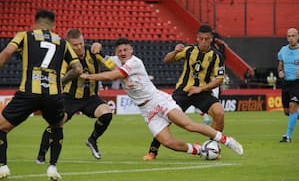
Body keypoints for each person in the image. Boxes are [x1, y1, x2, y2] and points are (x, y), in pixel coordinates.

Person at [80, 37, 243, 160]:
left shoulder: (135, 62)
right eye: (119, 51)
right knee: (167, 142)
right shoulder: (116, 61)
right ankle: (201, 151)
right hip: (146, 110)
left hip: (158, 100)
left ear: (131, 50)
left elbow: (112, 75)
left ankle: (227, 140)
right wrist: (98, 47)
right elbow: (105, 60)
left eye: (125, 50)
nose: (122, 53)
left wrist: (88, 76)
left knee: (188, 125)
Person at [0, 10, 83, 180]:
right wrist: (61, 82)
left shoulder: (24, 35)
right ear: (53, 25)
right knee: (57, 126)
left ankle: (3, 167)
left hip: (28, 92)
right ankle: (52, 168)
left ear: (35, 23)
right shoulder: (62, 41)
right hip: (53, 95)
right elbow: (78, 69)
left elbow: (7, 53)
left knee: (1, 127)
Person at [143, 25, 227, 161]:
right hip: (183, 92)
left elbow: (219, 79)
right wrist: (175, 52)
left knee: (219, 113)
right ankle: (153, 151)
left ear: (211, 39)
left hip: (202, 92)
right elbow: (167, 60)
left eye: (207, 39)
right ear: (197, 38)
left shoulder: (217, 56)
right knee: (166, 119)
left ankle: (212, 147)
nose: (204, 42)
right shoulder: (188, 50)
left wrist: (200, 89)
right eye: (201, 39)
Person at [36, 28, 114, 164]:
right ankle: (41, 155)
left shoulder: (93, 51)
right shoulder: (64, 58)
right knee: (56, 124)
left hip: (91, 97)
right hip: (69, 98)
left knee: (107, 113)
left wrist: (102, 51)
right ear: (69, 45)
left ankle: (92, 140)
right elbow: (59, 80)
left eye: (81, 43)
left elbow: (113, 67)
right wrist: (73, 73)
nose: (79, 47)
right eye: (75, 45)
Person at [278, 28, 299, 143]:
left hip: (298, 83)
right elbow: (280, 65)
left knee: (292, 107)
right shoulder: (283, 50)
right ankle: (294, 115)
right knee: (288, 112)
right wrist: (280, 72)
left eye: (293, 36)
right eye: (288, 36)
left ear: (297, 37)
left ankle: (287, 136)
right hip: (286, 83)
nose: (290, 38)